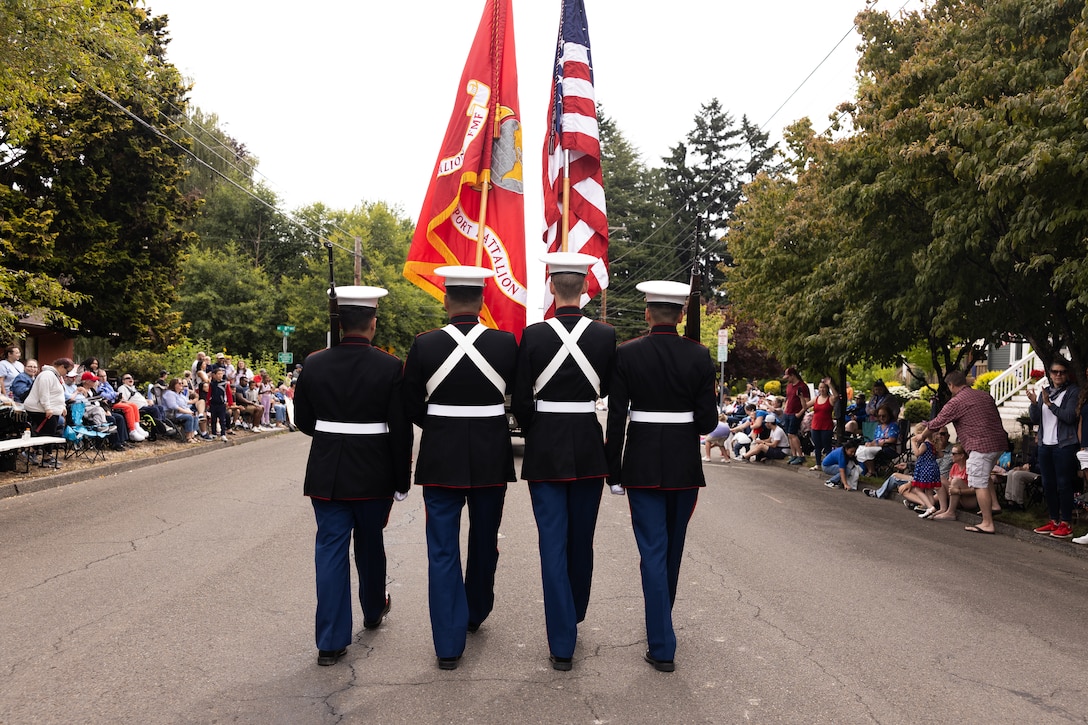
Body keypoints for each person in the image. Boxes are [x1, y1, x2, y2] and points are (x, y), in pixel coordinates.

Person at [402, 266, 518, 671]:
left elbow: (411, 403)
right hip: (490, 454)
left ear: (447, 300)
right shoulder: (506, 344)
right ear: (483, 301)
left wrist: (440, 424)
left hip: (440, 454)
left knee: (442, 548)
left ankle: (448, 645)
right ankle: (476, 610)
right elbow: (518, 399)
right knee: (484, 539)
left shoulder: (425, 344)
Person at [293, 286, 413, 667]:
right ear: (372, 323)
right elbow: (401, 429)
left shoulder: (314, 363)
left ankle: (330, 641)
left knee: (329, 551)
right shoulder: (390, 366)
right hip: (373, 472)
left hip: (328, 470)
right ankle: (374, 608)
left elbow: (303, 420)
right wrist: (400, 481)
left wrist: (335, 435)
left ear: (340, 324)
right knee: (370, 544)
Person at [604, 280, 717, 673]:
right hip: (684, 465)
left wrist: (612, 471)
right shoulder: (700, 356)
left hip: (642, 463)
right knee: (671, 551)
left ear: (648, 313)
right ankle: (661, 628)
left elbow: (617, 417)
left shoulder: (627, 353)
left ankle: (661, 637)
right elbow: (708, 421)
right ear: (682, 315)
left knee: (652, 551)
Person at [511, 252, 616, 672]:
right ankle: (573, 613)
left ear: (552, 288)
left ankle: (561, 642)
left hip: (546, 446)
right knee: (581, 539)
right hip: (588, 445)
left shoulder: (533, 335)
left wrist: (540, 430)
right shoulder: (606, 336)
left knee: (551, 542)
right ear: (586, 289)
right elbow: (606, 388)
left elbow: (520, 399)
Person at [926, 369, 1009, 535]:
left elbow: (938, 422)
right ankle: (994, 505)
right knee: (984, 475)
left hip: (980, 446)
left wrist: (921, 436)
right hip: (999, 443)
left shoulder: (956, 402)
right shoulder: (984, 395)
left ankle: (987, 523)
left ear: (951, 385)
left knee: (978, 482)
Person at [1026, 361, 1080, 539]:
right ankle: (1054, 520)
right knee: (1048, 484)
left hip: (1064, 444)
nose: (1058, 375)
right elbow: (1036, 419)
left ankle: (1066, 523)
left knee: (1064, 484)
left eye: (1062, 372)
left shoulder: (1072, 392)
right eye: (1055, 372)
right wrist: (1035, 403)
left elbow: (1070, 416)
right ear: (1049, 373)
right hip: (1044, 444)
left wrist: (1050, 405)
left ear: (1067, 374)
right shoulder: (1045, 392)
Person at [908, 423, 941, 518]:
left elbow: (917, 453)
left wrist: (913, 442)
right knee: (929, 491)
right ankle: (930, 511)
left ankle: (930, 507)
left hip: (925, 468)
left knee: (918, 489)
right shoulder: (933, 444)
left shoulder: (925, 444)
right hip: (932, 467)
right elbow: (940, 455)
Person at [856, 405, 899, 476]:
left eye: (884, 416)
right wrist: (869, 443)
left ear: (889, 415)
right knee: (860, 449)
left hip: (888, 448)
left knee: (867, 451)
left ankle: (871, 471)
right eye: (879, 416)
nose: (881, 418)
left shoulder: (893, 426)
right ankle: (869, 470)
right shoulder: (878, 426)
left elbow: (892, 439)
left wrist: (880, 442)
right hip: (877, 447)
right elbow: (875, 439)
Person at [782, 367, 810, 465]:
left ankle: (800, 455)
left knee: (792, 434)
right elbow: (788, 398)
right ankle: (793, 454)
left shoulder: (802, 386)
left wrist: (800, 413)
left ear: (793, 375)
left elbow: (807, 402)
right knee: (789, 434)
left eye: (788, 377)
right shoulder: (789, 386)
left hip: (796, 413)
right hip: (788, 412)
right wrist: (785, 409)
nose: (787, 379)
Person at [808, 379, 838, 470]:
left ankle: (828, 464)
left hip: (826, 426)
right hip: (815, 425)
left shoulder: (830, 399)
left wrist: (830, 384)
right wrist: (801, 397)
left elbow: (836, 396)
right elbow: (805, 405)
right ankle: (818, 464)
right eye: (820, 387)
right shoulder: (816, 399)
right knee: (817, 446)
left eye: (824, 388)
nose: (822, 389)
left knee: (827, 446)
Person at [162, 378, 200, 444]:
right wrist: (187, 412)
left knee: (195, 416)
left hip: (181, 412)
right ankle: (188, 437)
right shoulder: (170, 393)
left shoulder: (180, 394)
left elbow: (186, 402)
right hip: (173, 414)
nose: (181, 385)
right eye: (179, 383)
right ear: (174, 385)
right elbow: (173, 406)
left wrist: (195, 399)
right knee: (189, 417)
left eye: (182, 383)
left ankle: (192, 436)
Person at [205, 365, 233, 441]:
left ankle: (223, 434)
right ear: (214, 375)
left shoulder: (226, 384)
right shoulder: (212, 384)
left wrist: (229, 403)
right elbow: (209, 394)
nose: (220, 375)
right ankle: (213, 433)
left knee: (222, 419)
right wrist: (207, 403)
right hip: (213, 404)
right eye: (218, 374)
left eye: (221, 374)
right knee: (213, 419)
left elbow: (229, 394)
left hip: (222, 404)